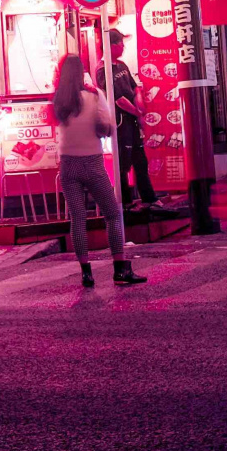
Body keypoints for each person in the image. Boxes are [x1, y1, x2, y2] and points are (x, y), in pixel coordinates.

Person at [54, 54, 147, 287]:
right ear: (82, 73)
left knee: (77, 219)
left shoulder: (58, 102)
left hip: (67, 165)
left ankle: (86, 273)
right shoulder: (94, 96)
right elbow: (106, 128)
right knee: (112, 214)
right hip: (92, 164)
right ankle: (120, 269)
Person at [96, 28, 159, 208]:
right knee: (123, 162)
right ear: (111, 46)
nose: (123, 47)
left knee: (140, 160)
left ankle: (149, 199)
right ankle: (125, 203)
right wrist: (138, 113)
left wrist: (139, 101)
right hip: (121, 120)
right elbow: (118, 100)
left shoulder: (122, 65)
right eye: (120, 43)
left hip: (132, 118)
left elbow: (135, 86)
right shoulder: (103, 70)